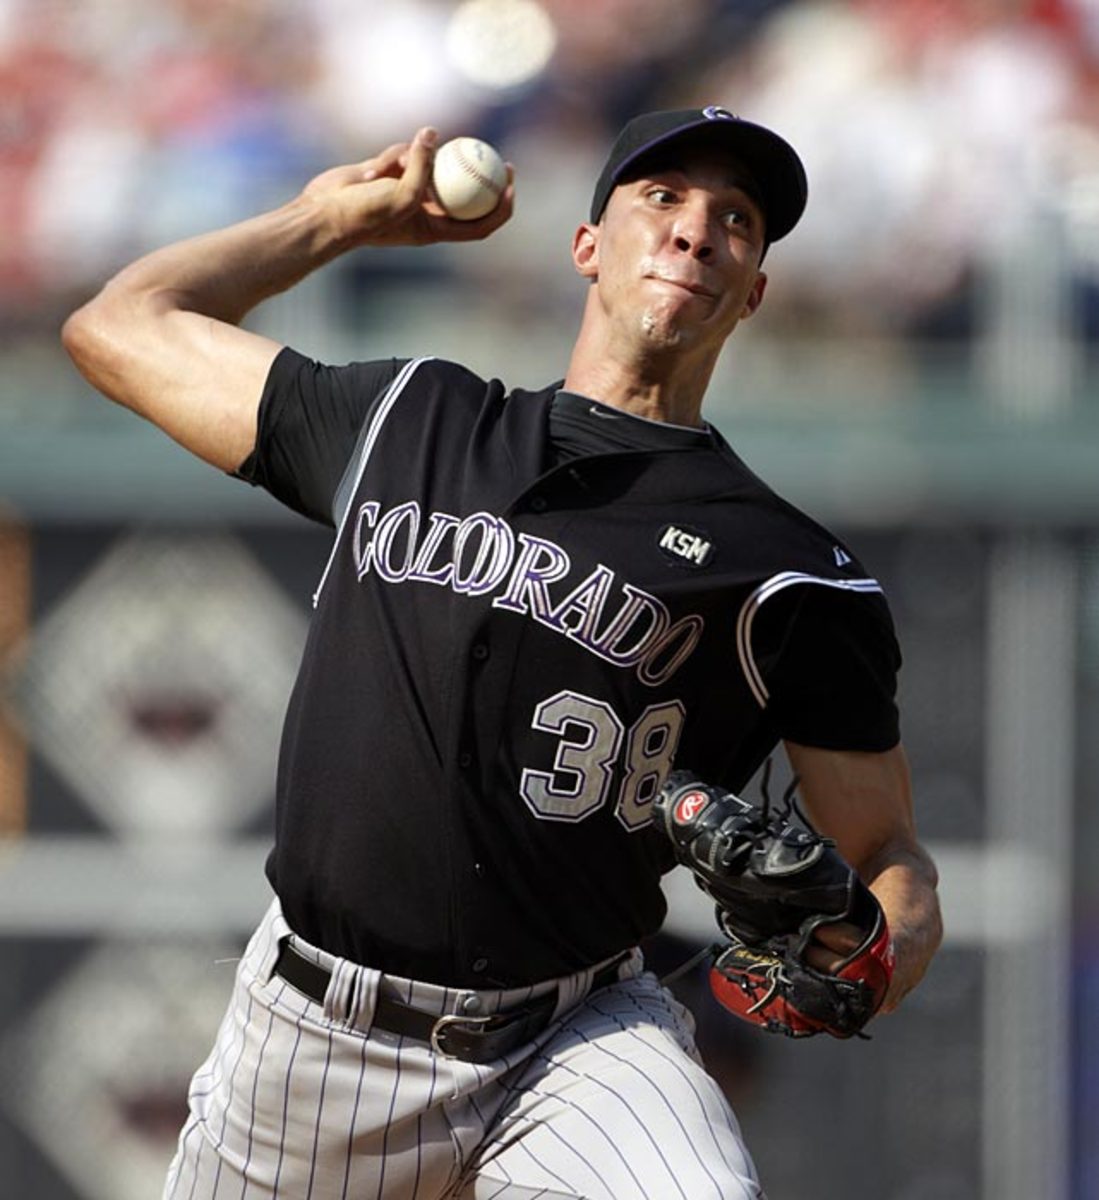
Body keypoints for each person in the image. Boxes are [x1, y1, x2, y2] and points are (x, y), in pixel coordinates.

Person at [62, 105, 942, 1200]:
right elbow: (118, 325)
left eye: (736, 220)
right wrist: (331, 222)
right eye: (662, 198)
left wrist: (877, 952)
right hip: (313, 1044)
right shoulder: (407, 423)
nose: (695, 230)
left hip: (572, 1039)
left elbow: (888, 852)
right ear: (588, 246)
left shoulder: (787, 571)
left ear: (752, 290)